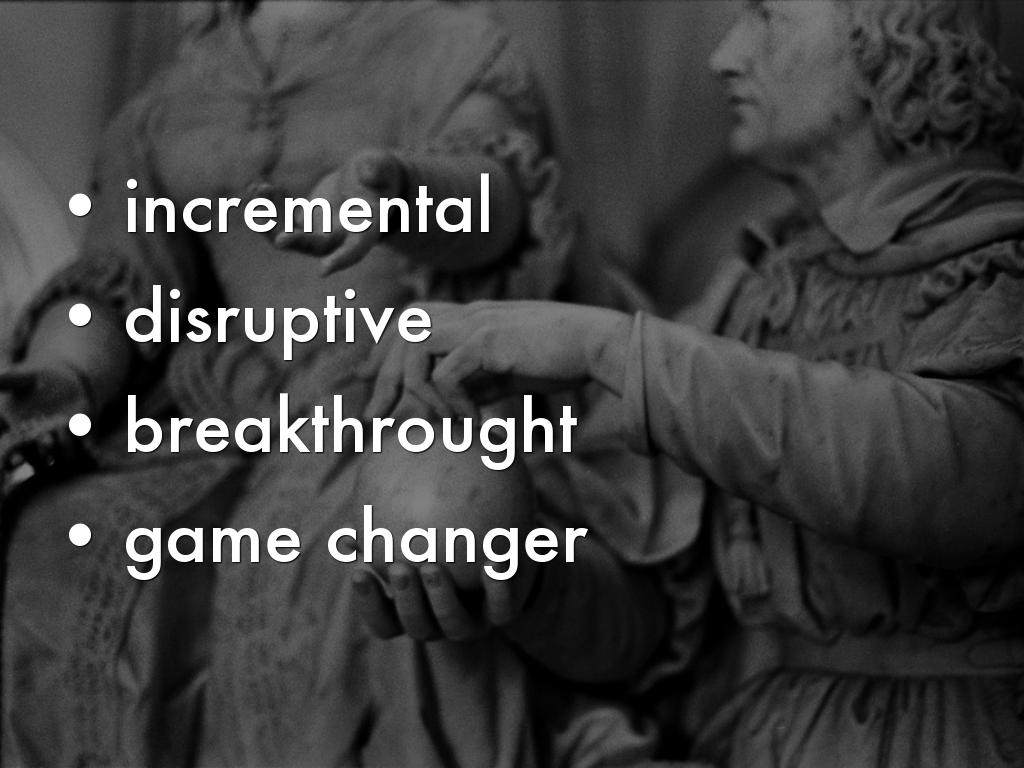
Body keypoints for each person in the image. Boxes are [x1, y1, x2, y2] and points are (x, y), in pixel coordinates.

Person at [0, 2, 689, 766]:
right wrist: (64, 377)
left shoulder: (452, 48)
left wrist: (397, 193)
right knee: (60, 536)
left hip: (401, 392)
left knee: (366, 551)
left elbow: (496, 205)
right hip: (228, 418)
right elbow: (121, 280)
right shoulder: (174, 94)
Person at [363, 1, 1024, 765]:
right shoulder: (756, 291)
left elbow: (959, 476)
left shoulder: (998, 262)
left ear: (895, 31)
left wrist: (608, 348)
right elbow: (660, 636)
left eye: (768, 16)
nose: (724, 56)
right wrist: (523, 578)